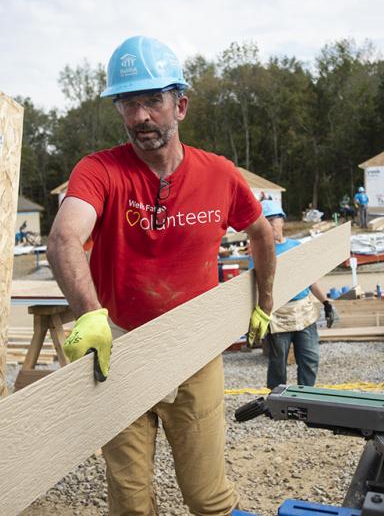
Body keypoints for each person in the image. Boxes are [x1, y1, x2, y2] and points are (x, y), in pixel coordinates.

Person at [46, 36, 276, 516]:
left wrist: (263, 301)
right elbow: (65, 238)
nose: (140, 116)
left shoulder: (219, 174)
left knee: (207, 497)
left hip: (193, 350)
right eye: (128, 103)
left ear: (181, 105)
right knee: (130, 504)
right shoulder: (100, 171)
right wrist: (90, 317)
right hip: (118, 351)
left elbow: (261, 234)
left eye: (153, 100)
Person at [253, 201, 334, 389]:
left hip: (303, 312)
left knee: (309, 358)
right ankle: (277, 400)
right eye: (266, 221)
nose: (271, 224)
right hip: (278, 314)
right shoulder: (260, 253)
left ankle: (306, 398)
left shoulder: (297, 246)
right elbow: (256, 288)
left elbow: (310, 279)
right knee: (277, 363)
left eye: (274, 219)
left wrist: (326, 303)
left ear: (282, 221)